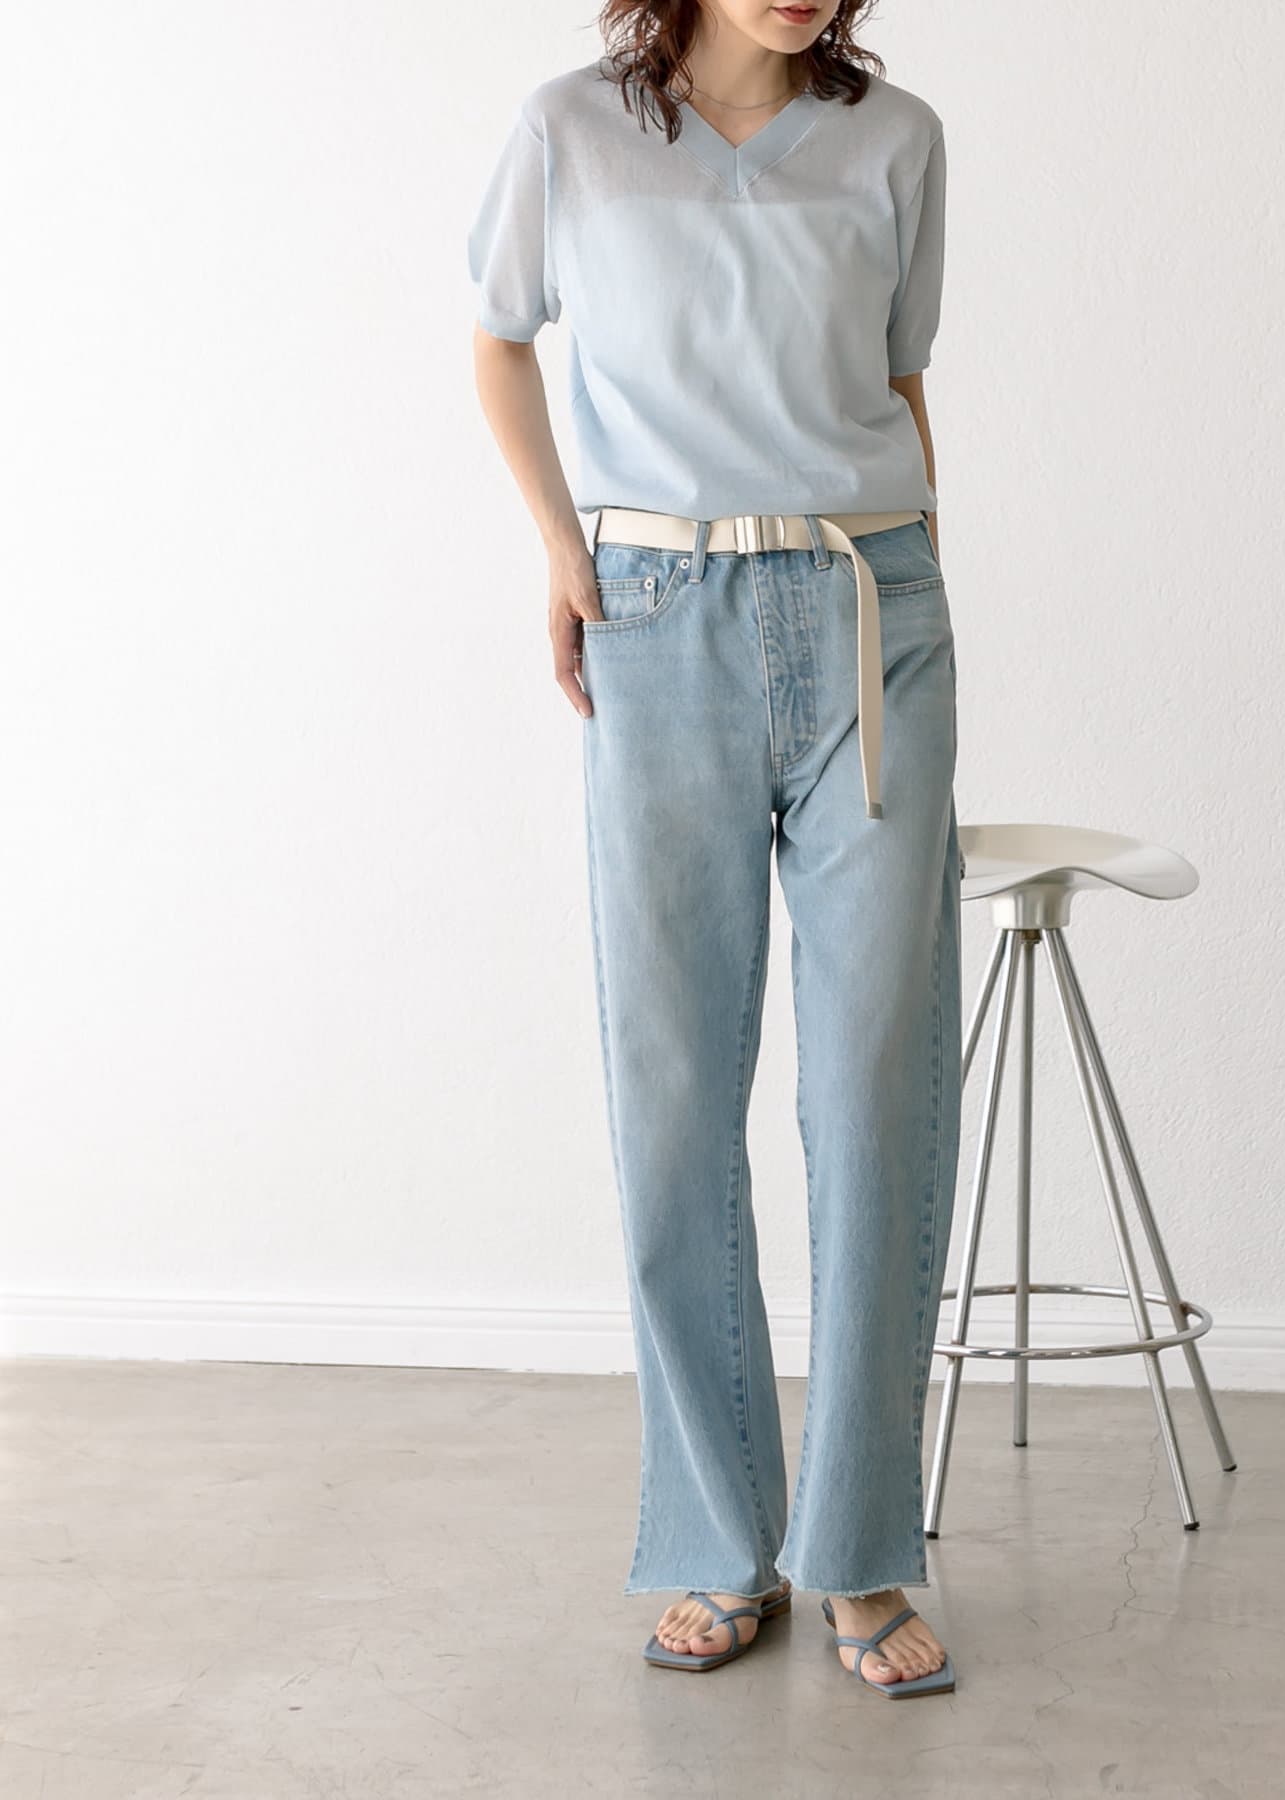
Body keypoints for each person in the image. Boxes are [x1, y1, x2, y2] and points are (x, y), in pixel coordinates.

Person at [468, 0, 961, 1697]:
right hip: (656, 612)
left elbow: (898, 381)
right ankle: (713, 1535)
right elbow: (497, 340)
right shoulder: (570, 131)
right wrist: (563, 549)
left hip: (870, 605)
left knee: (878, 1085)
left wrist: (924, 586)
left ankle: (863, 1547)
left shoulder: (898, 141)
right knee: (674, 1087)